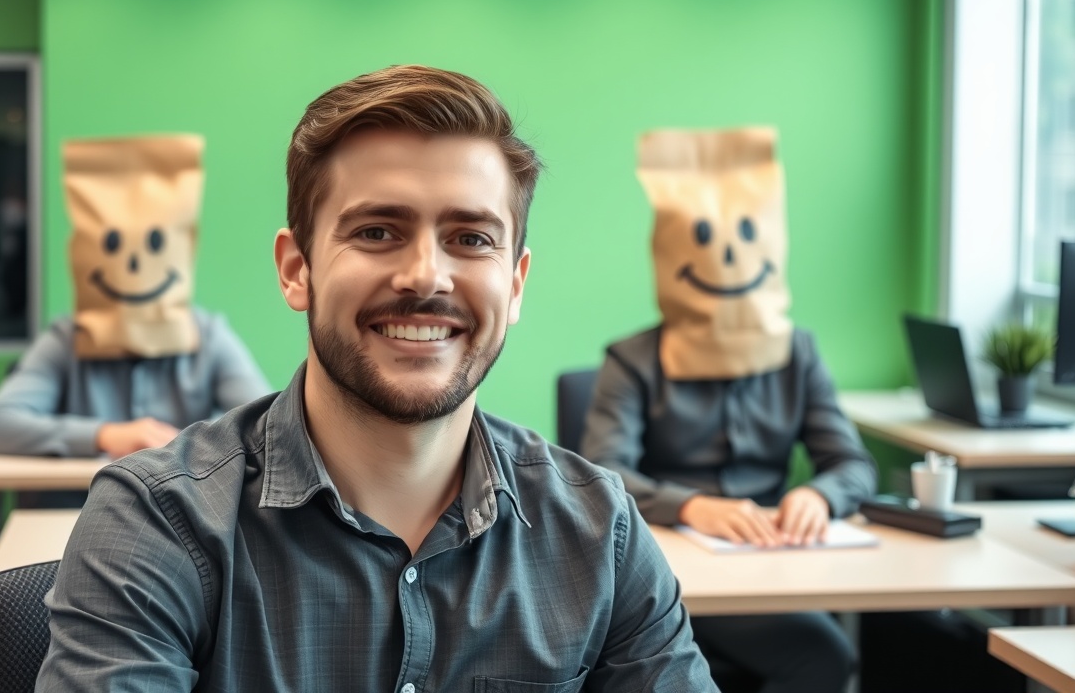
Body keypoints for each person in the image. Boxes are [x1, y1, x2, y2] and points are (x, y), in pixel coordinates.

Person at [35, 65, 716, 691]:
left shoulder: (599, 532)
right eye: (377, 232)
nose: (425, 275)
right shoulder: (158, 521)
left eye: (471, 238)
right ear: (296, 268)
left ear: (514, 285)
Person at [581, 128, 877, 693]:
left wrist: (819, 494)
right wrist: (692, 506)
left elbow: (853, 464)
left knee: (828, 654)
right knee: (817, 654)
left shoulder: (798, 354)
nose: (728, 258)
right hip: (663, 565)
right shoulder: (631, 361)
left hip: (771, 564)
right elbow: (602, 474)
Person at [0, 134, 271, 506]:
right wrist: (105, 435)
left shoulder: (207, 336)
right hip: (73, 520)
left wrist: (187, 448)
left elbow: (268, 432)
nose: (134, 266)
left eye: (155, 246)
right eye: (112, 244)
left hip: (176, 526)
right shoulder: (67, 338)